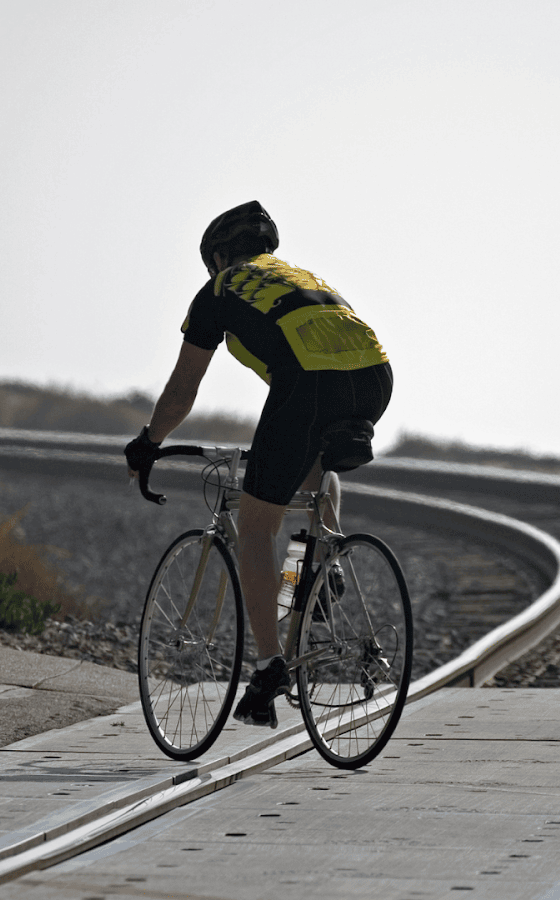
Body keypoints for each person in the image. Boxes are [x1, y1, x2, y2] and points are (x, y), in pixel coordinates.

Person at [125, 200, 392, 728]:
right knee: (315, 474)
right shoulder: (300, 277)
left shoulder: (219, 290)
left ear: (218, 257)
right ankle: (321, 564)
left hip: (309, 384)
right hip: (376, 376)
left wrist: (148, 441)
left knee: (254, 523)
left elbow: (182, 390)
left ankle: (269, 667)